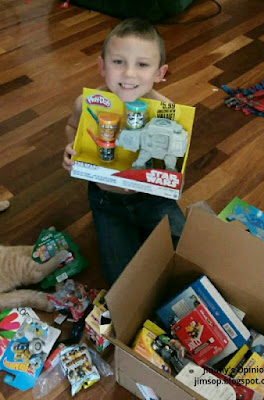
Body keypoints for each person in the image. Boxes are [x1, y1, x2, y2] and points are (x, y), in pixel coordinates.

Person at [62, 18, 185, 286]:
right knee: (122, 279)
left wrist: (173, 175)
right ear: (102, 66)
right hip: (108, 203)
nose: (129, 74)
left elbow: (174, 158)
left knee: (186, 252)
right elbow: (72, 127)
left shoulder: (166, 110)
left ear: (159, 73)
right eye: (118, 62)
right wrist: (73, 150)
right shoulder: (87, 103)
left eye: (142, 65)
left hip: (153, 199)